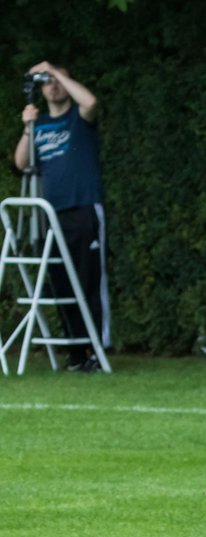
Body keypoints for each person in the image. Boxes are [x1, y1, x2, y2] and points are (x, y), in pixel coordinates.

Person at [12, 62, 109, 373]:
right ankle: (75, 353)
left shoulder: (78, 119)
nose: (51, 86)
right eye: (46, 82)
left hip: (83, 207)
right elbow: (21, 162)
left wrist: (57, 71)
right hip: (51, 215)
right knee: (61, 284)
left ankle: (96, 350)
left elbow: (91, 102)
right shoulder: (39, 125)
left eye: (57, 81)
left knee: (89, 280)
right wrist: (27, 126)